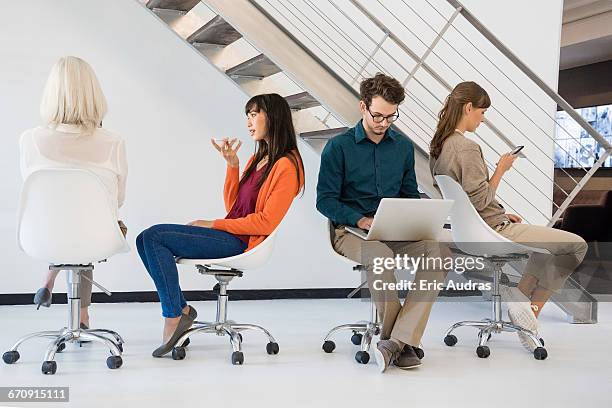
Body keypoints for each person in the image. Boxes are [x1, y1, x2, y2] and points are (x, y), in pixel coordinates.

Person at [137, 93, 304, 357]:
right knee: (143, 239)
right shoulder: (258, 158)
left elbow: (267, 221)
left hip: (243, 242)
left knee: (155, 236)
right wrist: (233, 166)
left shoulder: (287, 165)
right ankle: (181, 310)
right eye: (247, 116)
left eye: (254, 114)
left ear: (272, 117)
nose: (249, 122)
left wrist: (213, 224)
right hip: (231, 234)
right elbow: (234, 207)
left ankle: (175, 315)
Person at [429, 81, 588, 352]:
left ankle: (520, 303)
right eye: (481, 112)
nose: (482, 119)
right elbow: (480, 199)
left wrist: (498, 212)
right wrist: (501, 169)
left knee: (545, 248)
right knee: (576, 246)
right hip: (492, 229)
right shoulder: (466, 147)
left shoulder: (440, 147)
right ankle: (530, 314)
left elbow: (467, 202)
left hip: (477, 228)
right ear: (468, 108)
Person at [317, 73, 450, 372]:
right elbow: (324, 201)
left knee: (439, 252)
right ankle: (400, 341)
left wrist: (417, 218)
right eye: (377, 115)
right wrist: (360, 219)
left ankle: (395, 342)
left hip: (393, 229)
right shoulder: (338, 147)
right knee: (380, 256)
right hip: (349, 230)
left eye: (391, 117)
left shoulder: (401, 148)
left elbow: (408, 194)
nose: (383, 122)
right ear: (362, 107)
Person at [19, 56, 128, 331]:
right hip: (97, 236)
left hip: (45, 236)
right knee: (89, 226)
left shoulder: (30, 140)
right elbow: (118, 201)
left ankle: (51, 280)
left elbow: (38, 200)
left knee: (63, 221)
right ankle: (82, 316)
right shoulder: (113, 142)